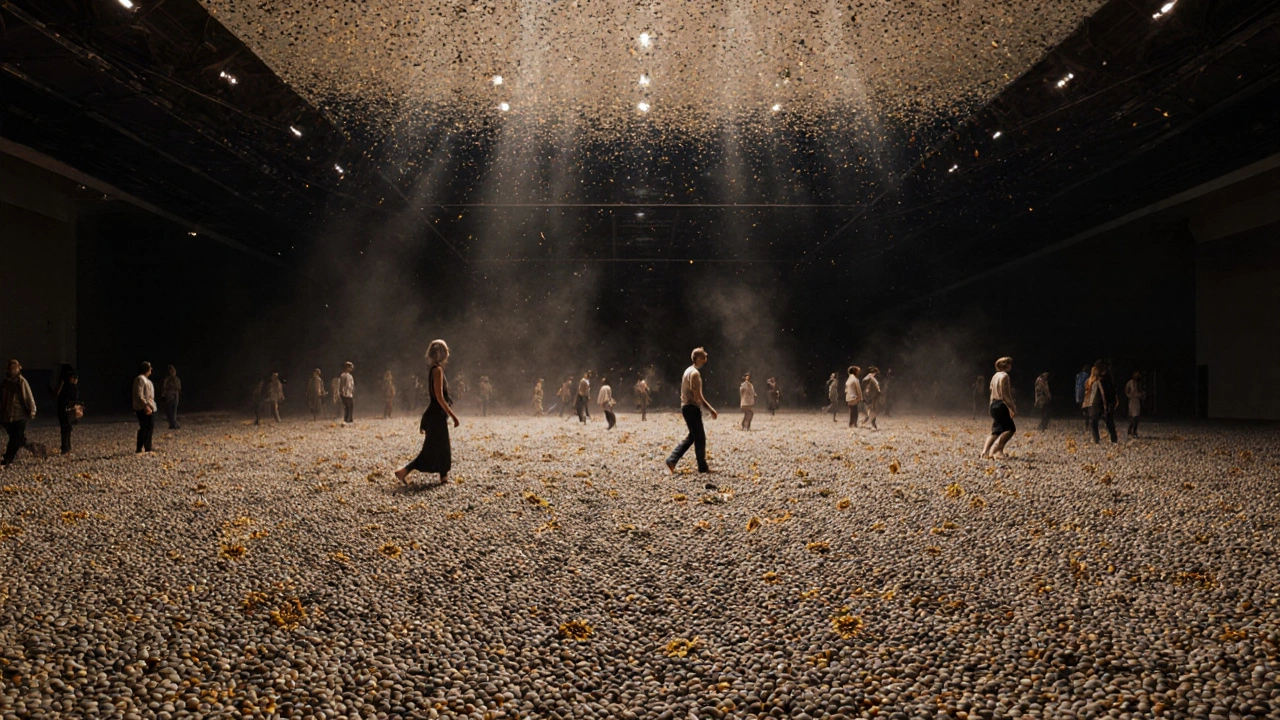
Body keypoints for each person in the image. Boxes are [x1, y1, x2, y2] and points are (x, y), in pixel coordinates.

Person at [395, 339, 459, 486]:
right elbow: (439, 397)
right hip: (436, 414)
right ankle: (403, 471)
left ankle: (443, 477)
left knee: (441, 446)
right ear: (441, 353)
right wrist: (454, 416)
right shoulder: (437, 370)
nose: (448, 353)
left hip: (436, 414)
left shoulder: (434, 369)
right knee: (432, 449)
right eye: (446, 351)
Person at [666, 348, 718, 474]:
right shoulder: (694, 374)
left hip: (686, 407)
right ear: (698, 358)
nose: (705, 360)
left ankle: (672, 460)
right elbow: (698, 396)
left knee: (693, 436)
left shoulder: (687, 371)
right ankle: (702, 467)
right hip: (691, 408)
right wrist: (710, 409)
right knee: (700, 438)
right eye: (704, 358)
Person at [1, 359, 38, 466]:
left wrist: (32, 410)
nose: (13, 370)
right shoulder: (5, 382)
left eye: (15, 368)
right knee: (15, 437)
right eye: (11, 368)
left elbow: (28, 396)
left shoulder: (21, 382)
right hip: (7, 416)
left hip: (19, 415)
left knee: (15, 438)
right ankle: (27, 446)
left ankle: (8, 458)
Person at [981, 357, 1017, 460]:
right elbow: (1006, 395)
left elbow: (991, 393)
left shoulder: (994, 376)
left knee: (996, 430)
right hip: (1001, 404)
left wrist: (990, 407)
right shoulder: (1005, 376)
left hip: (994, 404)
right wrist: (1012, 407)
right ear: (1007, 366)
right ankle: (998, 451)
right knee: (1010, 429)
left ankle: (984, 452)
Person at [55, 367, 81, 454]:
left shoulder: (69, 386)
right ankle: (65, 447)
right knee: (66, 428)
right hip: (65, 410)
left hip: (66, 410)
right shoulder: (68, 387)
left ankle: (66, 447)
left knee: (66, 429)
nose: (76, 379)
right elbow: (66, 399)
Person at [132, 361, 157, 454]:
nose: (151, 369)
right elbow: (139, 394)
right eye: (150, 368)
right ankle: (141, 448)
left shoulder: (146, 380)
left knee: (149, 427)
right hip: (144, 407)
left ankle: (147, 447)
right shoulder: (140, 379)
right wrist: (145, 406)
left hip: (150, 406)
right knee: (145, 427)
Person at [1083, 364, 1109, 444]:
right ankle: (1096, 438)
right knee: (1095, 420)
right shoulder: (1096, 382)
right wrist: (1105, 403)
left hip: (1091, 403)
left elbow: (1086, 392)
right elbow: (1102, 393)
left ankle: (1095, 438)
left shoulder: (1088, 381)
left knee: (1093, 420)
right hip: (1095, 403)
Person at [1098, 362, 1119, 443]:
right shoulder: (1107, 378)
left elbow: (1107, 391)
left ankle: (1114, 437)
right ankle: (1113, 437)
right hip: (1109, 400)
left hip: (1108, 401)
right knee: (1108, 419)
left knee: (1109, 419)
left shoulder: (1105, 378)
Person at [1126, 371, 1145, 438]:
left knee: (1136, 416)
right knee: (1133, 416)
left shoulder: (1139, 384)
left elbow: (1142, 391)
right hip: (1132, 400)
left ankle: (1134, 430)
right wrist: (1130, 396)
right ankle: (1130, 430)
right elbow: (1127, 391)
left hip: (1137, 400)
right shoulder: (1130, 383)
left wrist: (1141, 396)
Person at [162, 365, 182, 429]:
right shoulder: (172, 379)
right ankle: (173, 423)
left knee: (171, 411)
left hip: (172, 396)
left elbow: (165, 388)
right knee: (171, 411)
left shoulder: (170, 379)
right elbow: (178, 388)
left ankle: (173, 423)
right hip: (172, 396)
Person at [1074, 365, 1090, 431]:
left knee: (1083, 409)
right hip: (1085, 394)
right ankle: (1086, 425)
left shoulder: (1078, 375)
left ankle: (1085, 418)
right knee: (1087, 410)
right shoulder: (1087, 376)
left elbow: (1076, 385)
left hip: (1078, 395)